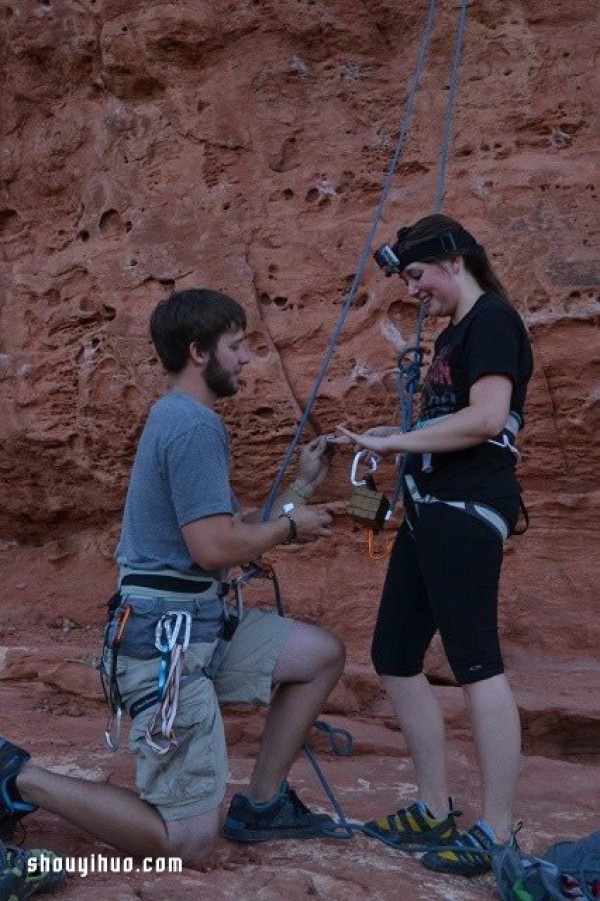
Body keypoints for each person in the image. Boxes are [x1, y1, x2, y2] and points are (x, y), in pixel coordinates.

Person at [0, 288, 345, 870]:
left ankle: (261, 806)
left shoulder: (180, 418)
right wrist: (291, 530)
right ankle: (19, 775)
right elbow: (214, 548)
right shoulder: (193, 427)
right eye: (236, 347)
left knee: (319, 654)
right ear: (199, 352)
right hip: (166, 643)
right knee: (185, 844)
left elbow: (228, 531)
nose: (244, 361)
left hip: (191, 628)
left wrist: (301, 490)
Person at [337, 214, 533, 877]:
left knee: (476, 661)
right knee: (393, 652)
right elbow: (450, 420)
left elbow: (483, 418)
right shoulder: (457, 333)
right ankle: (430, 805)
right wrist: (399, 440)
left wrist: (395, 442)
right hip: (431, 510)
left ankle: (498, 832)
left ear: (453, 259)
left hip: (467, 508)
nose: (413, 289)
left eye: (417, 275)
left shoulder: (494, 321)